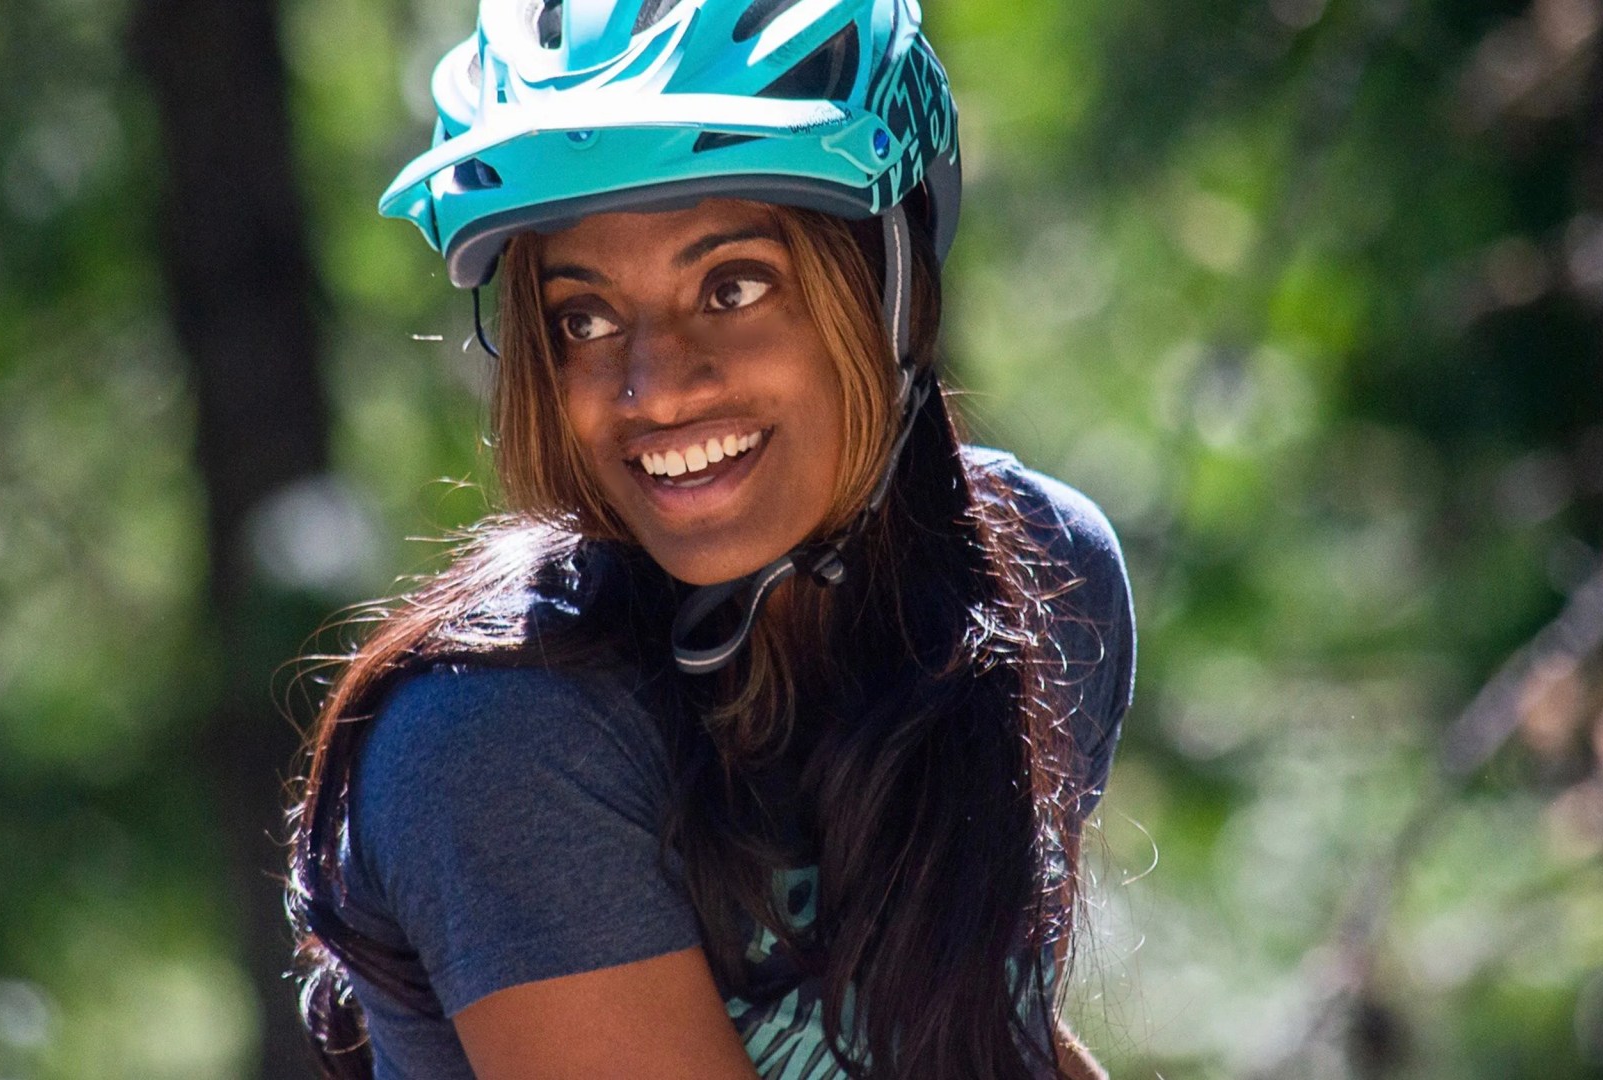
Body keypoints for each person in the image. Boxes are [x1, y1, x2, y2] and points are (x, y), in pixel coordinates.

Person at [287, 2, 1134, 1078]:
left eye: (731, 287)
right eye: (582, 319)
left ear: (893, 284)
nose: (652, 388)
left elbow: (987, 1031)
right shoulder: (500, 740)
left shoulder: (1044, 581)